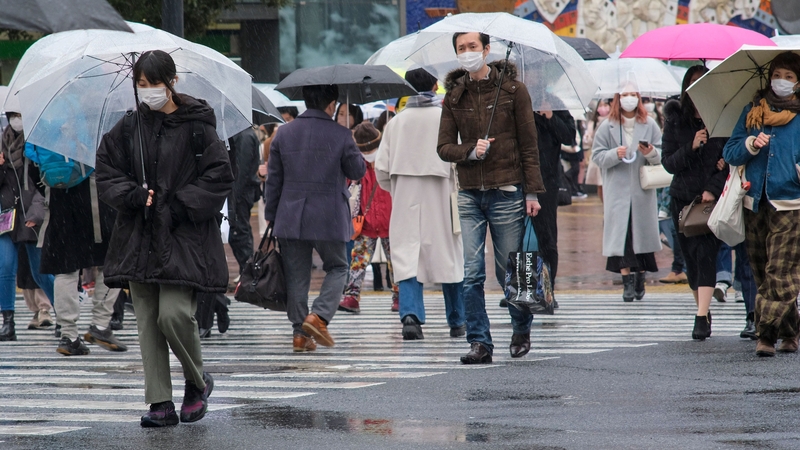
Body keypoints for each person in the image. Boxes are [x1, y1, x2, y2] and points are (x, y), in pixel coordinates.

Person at [96, 50, 233, 426]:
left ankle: (196, 380)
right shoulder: (127, 128)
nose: (148, 92)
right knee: (146, 322)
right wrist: (134, 195)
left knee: (173, 315)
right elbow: (105, 172)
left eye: (154, 84)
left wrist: (179, 206)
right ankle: (160, 401)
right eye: (141, 85)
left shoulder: (197, 127)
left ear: (172, 81)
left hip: (183, 238)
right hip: (138, 238)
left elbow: (220, 176)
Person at [437, 32, 544, 364]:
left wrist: (532, 192)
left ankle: (521, 328)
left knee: (508, 270)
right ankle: (479, 342)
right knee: (471, 273)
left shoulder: (514, 92)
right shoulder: (454, 97)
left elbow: (529, 146)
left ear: (486, 50)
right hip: (469, 194)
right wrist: (470, 150)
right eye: (461, 48)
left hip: (507, 192)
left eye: (472, 47)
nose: (467, 53)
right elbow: (443, 148)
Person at [264, 84, 366, 353]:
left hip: (290, 214)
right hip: (328, 215)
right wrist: (350, 143)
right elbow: (357, 170)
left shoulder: (284, 134)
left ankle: (300, 333)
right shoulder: (341, 134)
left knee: (296, 275)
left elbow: (273, 180)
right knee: (338, 267)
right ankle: (318, 317)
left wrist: (271, 215)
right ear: (331, 105)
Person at [375, 68, 465, 340]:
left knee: (407, 256)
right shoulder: (448, 119)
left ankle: (411, 317)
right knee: (449, 256)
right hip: (442, 194)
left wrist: (399, 188)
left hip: (405, 197)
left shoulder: (396, 123)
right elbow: (461, 160)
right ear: (436, 86)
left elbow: (381, 171)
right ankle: (457, 320)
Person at [723, 51, 800, 357]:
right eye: (778, 75)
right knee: (762, 270)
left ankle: (765, 333)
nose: (781, 81)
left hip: (791, 202)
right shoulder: (753, 111)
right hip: (755, 202)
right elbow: (730, 152)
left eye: (789, 77)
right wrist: (750, 144)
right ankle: (790, 331)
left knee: (780, 270)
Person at [661, 65, 728, 340]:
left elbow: (728, 162)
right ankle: (703, 306)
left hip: (710, 200)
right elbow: (668, 163)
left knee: (706, 255)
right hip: (682, 200)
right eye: (693, 82)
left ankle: (701, 317)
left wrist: (713, 188)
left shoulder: (721, 119)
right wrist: (691, 146)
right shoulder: (675, 121)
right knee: (690, 259)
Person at [591, 80, 662, 302]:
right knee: (621, 237)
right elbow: (597, 156)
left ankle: (640, 278)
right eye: (625, 94)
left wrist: (650, 152)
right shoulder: (607, 125)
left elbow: (661, 153)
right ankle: (626, 284)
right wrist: (615, 154)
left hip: (642, 190)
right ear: (618, 98)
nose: (629, 98)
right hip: (617, 190)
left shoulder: (649, 124)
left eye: (633, 94)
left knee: (641, 235)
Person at [0, 111, 53, 341]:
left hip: (31, 215)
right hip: (6, 215)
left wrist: (37, 213)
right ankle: (8, 322)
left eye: (20, 114)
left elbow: (45, 183)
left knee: (40, 271)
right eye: (12, 115)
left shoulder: (36, 144)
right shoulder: (2, 144)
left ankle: (63, 317)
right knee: (5, 268)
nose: (16, 119)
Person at [339, 123, 398, 314]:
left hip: (391, 219)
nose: (369, 153)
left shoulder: (390, 160)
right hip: (365, 221)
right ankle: (352, 295)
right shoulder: (357, 165)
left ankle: (399, 296)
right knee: (358, 260)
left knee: (396, 261)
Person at [532, 103, 576, 298]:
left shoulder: (553, 103)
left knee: (546, 236)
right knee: (518, 236)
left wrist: (550, 117)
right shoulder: (511, 97)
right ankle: (522, 286)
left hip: (546, 179)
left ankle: (548, 289)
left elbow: (569, 137)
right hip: (516, 177)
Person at [584, 99, 610, 202]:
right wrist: (588, 138)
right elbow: (590, 141)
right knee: (600, 184)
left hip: (609, 154)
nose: (603, 108)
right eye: (601, 105)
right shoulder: (593, 123)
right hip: (597, 156)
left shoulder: (614, 121)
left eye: (605, 105)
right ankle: (604, 205)